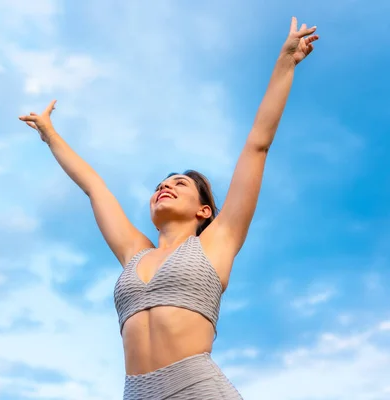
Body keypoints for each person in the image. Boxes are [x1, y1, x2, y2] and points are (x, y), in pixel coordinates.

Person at [19, 16, 318, 400]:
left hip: (198, 389)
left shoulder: (218, 243)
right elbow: (95, 187)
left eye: (179, 184)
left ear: (204, 211)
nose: (165, 187)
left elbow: (257, 145)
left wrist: (284, 66)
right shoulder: (134, 252)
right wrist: (50, 135)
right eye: (160, 184)